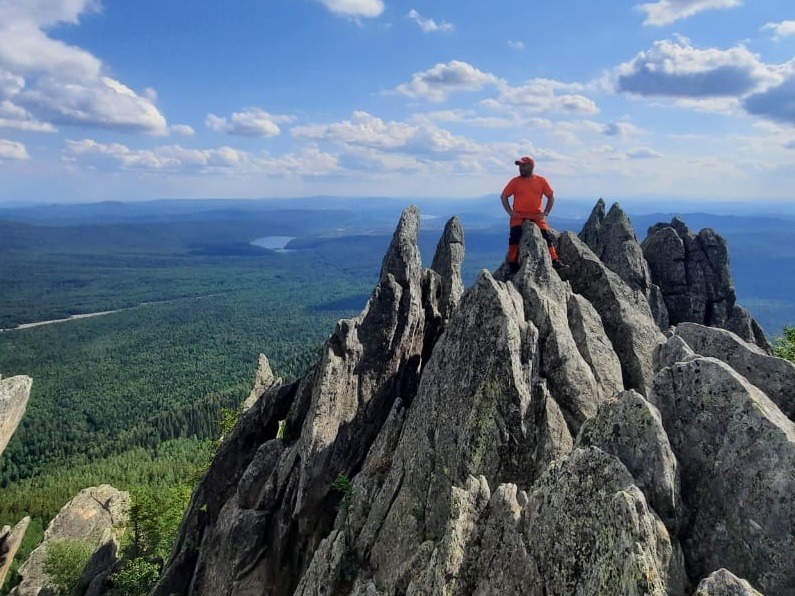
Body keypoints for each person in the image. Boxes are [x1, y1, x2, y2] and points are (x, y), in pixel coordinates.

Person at [500, 156, 560, 274]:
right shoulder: (515, 181)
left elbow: (551, 197)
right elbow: (504, 196)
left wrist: (546, 213)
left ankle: (554, 260)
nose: (520, 168)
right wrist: (510, 212)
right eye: (519, 166)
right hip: (519, 215)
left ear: (531, 166)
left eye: (523, 165)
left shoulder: (541, 181)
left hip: (536, 215)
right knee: (515, 236)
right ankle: (512, 263)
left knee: (545, 235)